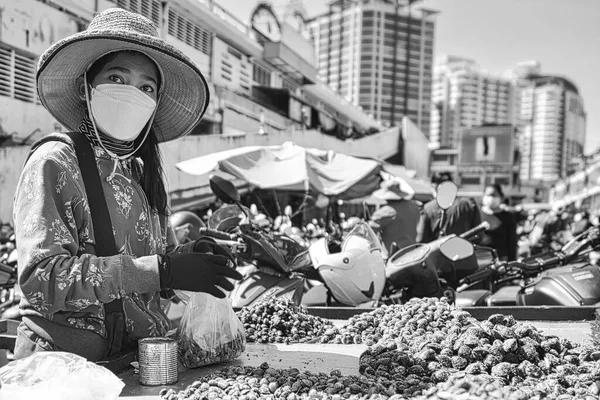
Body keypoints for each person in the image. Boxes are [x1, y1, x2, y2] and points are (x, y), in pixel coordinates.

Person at [12, 9, 242, 361]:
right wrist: (160, 270)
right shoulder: (55, 163)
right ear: (86, 86)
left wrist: (191, 259)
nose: (131, 94)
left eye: (145, 87)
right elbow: (41, 280)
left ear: (153, 105)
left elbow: (158, 270)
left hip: (136, 361)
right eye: (117, 78)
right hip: (64, 365)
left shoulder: (141, 173)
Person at [417, 172, 482, 243]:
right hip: (464, 251)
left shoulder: (427, 208)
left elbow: (421, 239)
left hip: (437, 252)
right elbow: (479, 235)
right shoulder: (469, 203)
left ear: (434, 186)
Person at [369, 178, 420, 255]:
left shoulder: (386, 212)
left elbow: (369, 232)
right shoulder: (414, 207)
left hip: (394, 256)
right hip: (412, 252)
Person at [479, 184, 518, 261]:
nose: (491, 198)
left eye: (494, 195)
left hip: (500, 260)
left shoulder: (507, 216)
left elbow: (512, 242)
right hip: (480, 259)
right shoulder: (477, 214)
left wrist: (512, 262)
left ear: (501, 197)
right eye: (488, 195)